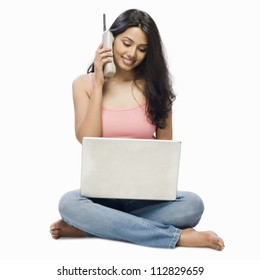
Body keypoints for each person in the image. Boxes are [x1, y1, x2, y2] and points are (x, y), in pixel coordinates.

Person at [50, 9, 224, 250]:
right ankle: (176, 237)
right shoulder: (84, 85)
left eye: (141, 49)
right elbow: (86, 138)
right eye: (127, 43)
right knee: (68, 204)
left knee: (193, 205)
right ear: (110, 39)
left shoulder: (156, 88)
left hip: (146, 197)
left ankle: (91, 227)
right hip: (100, 198)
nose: (132, 54)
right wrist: (100, 83)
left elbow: (165, 153)